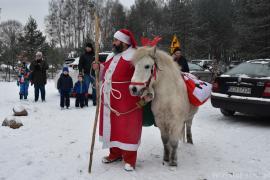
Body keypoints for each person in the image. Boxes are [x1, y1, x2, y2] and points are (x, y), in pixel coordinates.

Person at [93, 29, 143, 171]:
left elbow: (143, 74)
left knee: (127, 128)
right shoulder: (112, 56)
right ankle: (115, 153)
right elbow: (105, 73)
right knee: (113, 127)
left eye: (116, 40)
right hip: (110, 99)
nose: (113, 43)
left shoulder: (135, 56)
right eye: (114, 40)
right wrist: (99, 67)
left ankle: (130, 159)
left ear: (125, 42)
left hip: (127, 100)